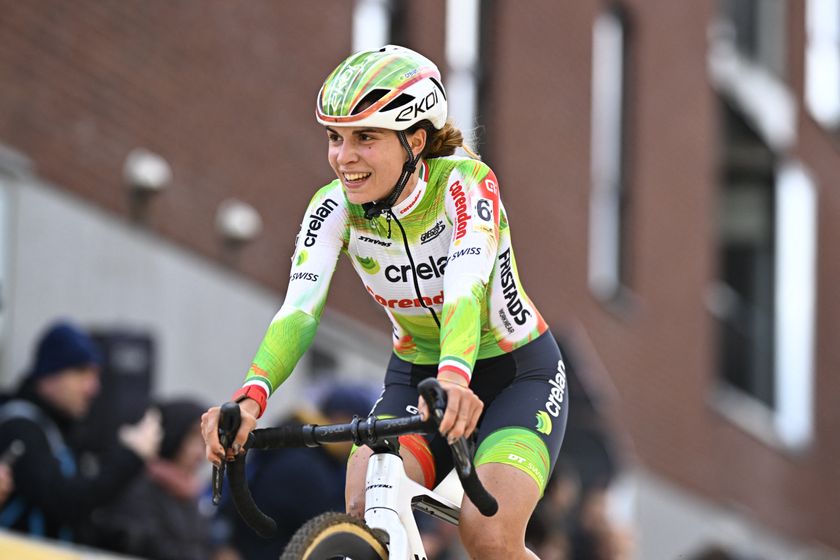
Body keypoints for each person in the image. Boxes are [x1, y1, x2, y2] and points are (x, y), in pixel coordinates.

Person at [201, 45, 569, 559]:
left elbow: (466, 288)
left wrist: (455, 378)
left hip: (515, 374)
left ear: (415, 140)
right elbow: (299, 311)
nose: (343, 157)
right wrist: (249, 398)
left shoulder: (466, 184)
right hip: (418, 372)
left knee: (487, 535)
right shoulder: (333, 207)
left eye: (365, 138)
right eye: (335, 137)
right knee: (364, 510)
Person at [0, 320, 162, 542]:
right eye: (81, 373)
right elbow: (64, 502)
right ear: (50, 374)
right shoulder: (20, 427)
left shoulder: (57, 430)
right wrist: (129, 456)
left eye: (95, 376)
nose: (93, 388)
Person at [219, 382, 375, 560]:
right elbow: (334, 528)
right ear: (342, 420)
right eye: (359, 429)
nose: (362, 442)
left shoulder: (307, 454)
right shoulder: (304, 467)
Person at [90, 397, 239, 560]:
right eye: (194, 439)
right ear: (173, 434)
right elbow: (148, 545)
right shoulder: (136, 484)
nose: (200, 453)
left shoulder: (190, 494)